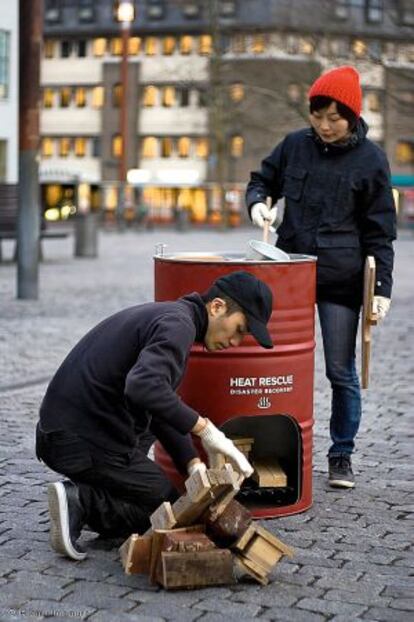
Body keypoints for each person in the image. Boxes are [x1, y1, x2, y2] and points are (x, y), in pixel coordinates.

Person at [35, 270, 273, 560]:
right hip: (78, 439)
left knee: (155, 451)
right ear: (217, 306)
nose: (237, 342)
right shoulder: (178, 326)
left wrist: (192, 463)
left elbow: (159, 405)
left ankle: (99, 493)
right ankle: (81, 501)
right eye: (239, 329)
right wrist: (205, 430)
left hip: (64, 430)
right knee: (167, 510)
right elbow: (143, 387)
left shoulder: (175, 317)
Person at [246, 65, 396, 489]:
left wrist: (381, 288)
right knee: (272, 365)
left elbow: (380, 232)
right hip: (289, 270)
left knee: (339, 370)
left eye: (335, 117)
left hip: (341, 280)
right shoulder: (294, 145)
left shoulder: (371, 160)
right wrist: (259, 203)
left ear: (352, 115)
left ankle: (341, 454)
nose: (325, 126)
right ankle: (265, 451)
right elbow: (262, 179)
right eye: (318, 116)